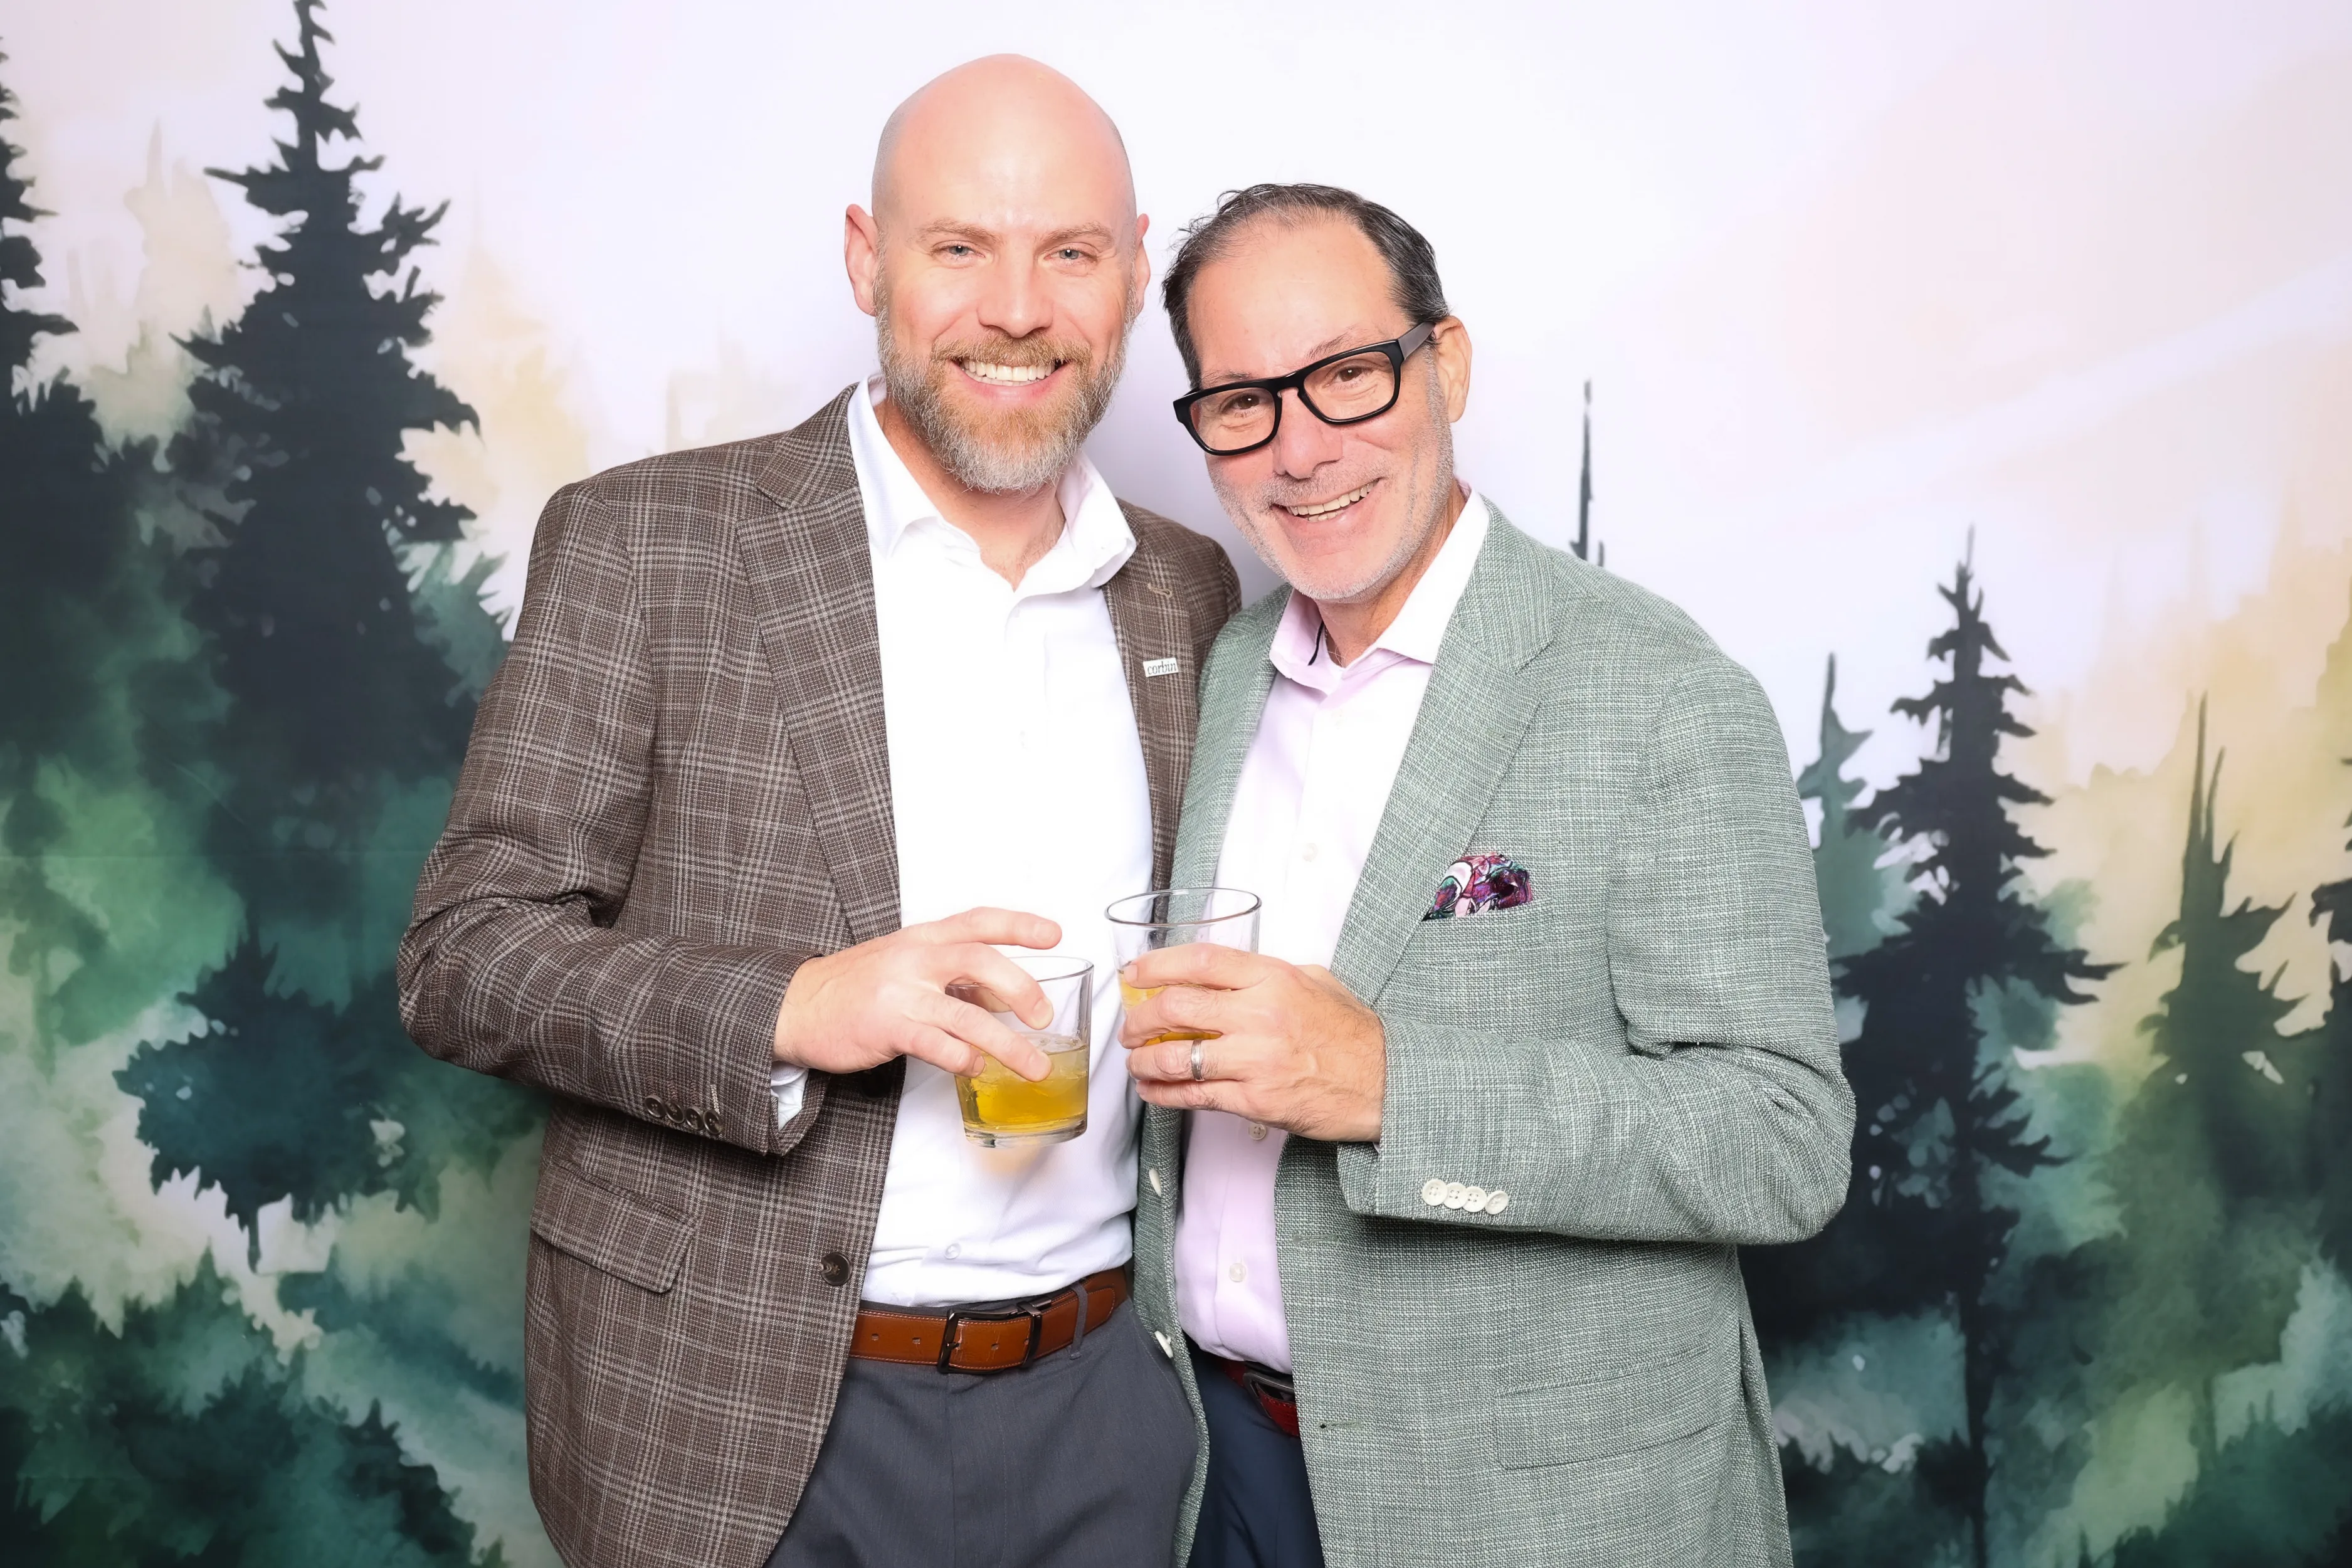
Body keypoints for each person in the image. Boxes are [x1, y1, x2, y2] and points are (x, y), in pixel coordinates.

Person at [398, 57, 1237, 1568]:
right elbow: (463, 952)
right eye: (959, 248)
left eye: (1070, 251)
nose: (1018, 307)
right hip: (740, 1416)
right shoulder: (650, 540)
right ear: (867, 258)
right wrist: (790, 1006)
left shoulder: (1187, 584)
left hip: (1111, 1410)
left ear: (1132, 270)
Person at [1118, 183, 1854, 1568]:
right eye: (1242, 401)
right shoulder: (1227, 669)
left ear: (1444, 362)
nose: (1302, 448)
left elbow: (1782, 1135)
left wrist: (1387, 1082)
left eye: (1345, 373)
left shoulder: (1658, 692)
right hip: (1220, 1473)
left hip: (1538, 1508)